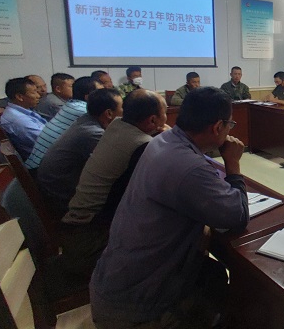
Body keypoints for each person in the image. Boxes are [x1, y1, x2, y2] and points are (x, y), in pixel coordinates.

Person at [90, 87, 248, 328]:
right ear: (218, 127)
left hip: (114, 282)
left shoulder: (163, 140)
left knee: (214, 273)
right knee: (237, 300)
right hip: (137, 308)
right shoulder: (189, 166)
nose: (230, 130)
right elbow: (237, 216)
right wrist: (233, 163)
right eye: (230, 125)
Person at [62, 89, 169, 277]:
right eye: (165, 113)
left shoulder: (116, 125)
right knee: (175, 230)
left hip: (75, 227)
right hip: (93, 240)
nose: (166, 118)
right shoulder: (142, 145)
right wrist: (170, 140)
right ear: (152, 120)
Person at [36, 88, 123, 221]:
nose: (124, 112)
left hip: (55, 186)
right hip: (63, 198)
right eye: (122, 108)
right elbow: (116, 166)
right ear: (109, 113)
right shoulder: (93, 133)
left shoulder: (85, 120)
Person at [25, 76, 103, 170]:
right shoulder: (83, 110)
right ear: (88, 96)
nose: (106, 95)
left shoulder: (71, 105)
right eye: (102, 93)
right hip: (43, 170)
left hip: (39, 165)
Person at [0, 77, 45, 160]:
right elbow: (47, 140)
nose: (38, 96)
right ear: (20, 97)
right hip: (43, 161)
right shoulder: (18, 119)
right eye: (34, 92)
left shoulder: (22, 112)